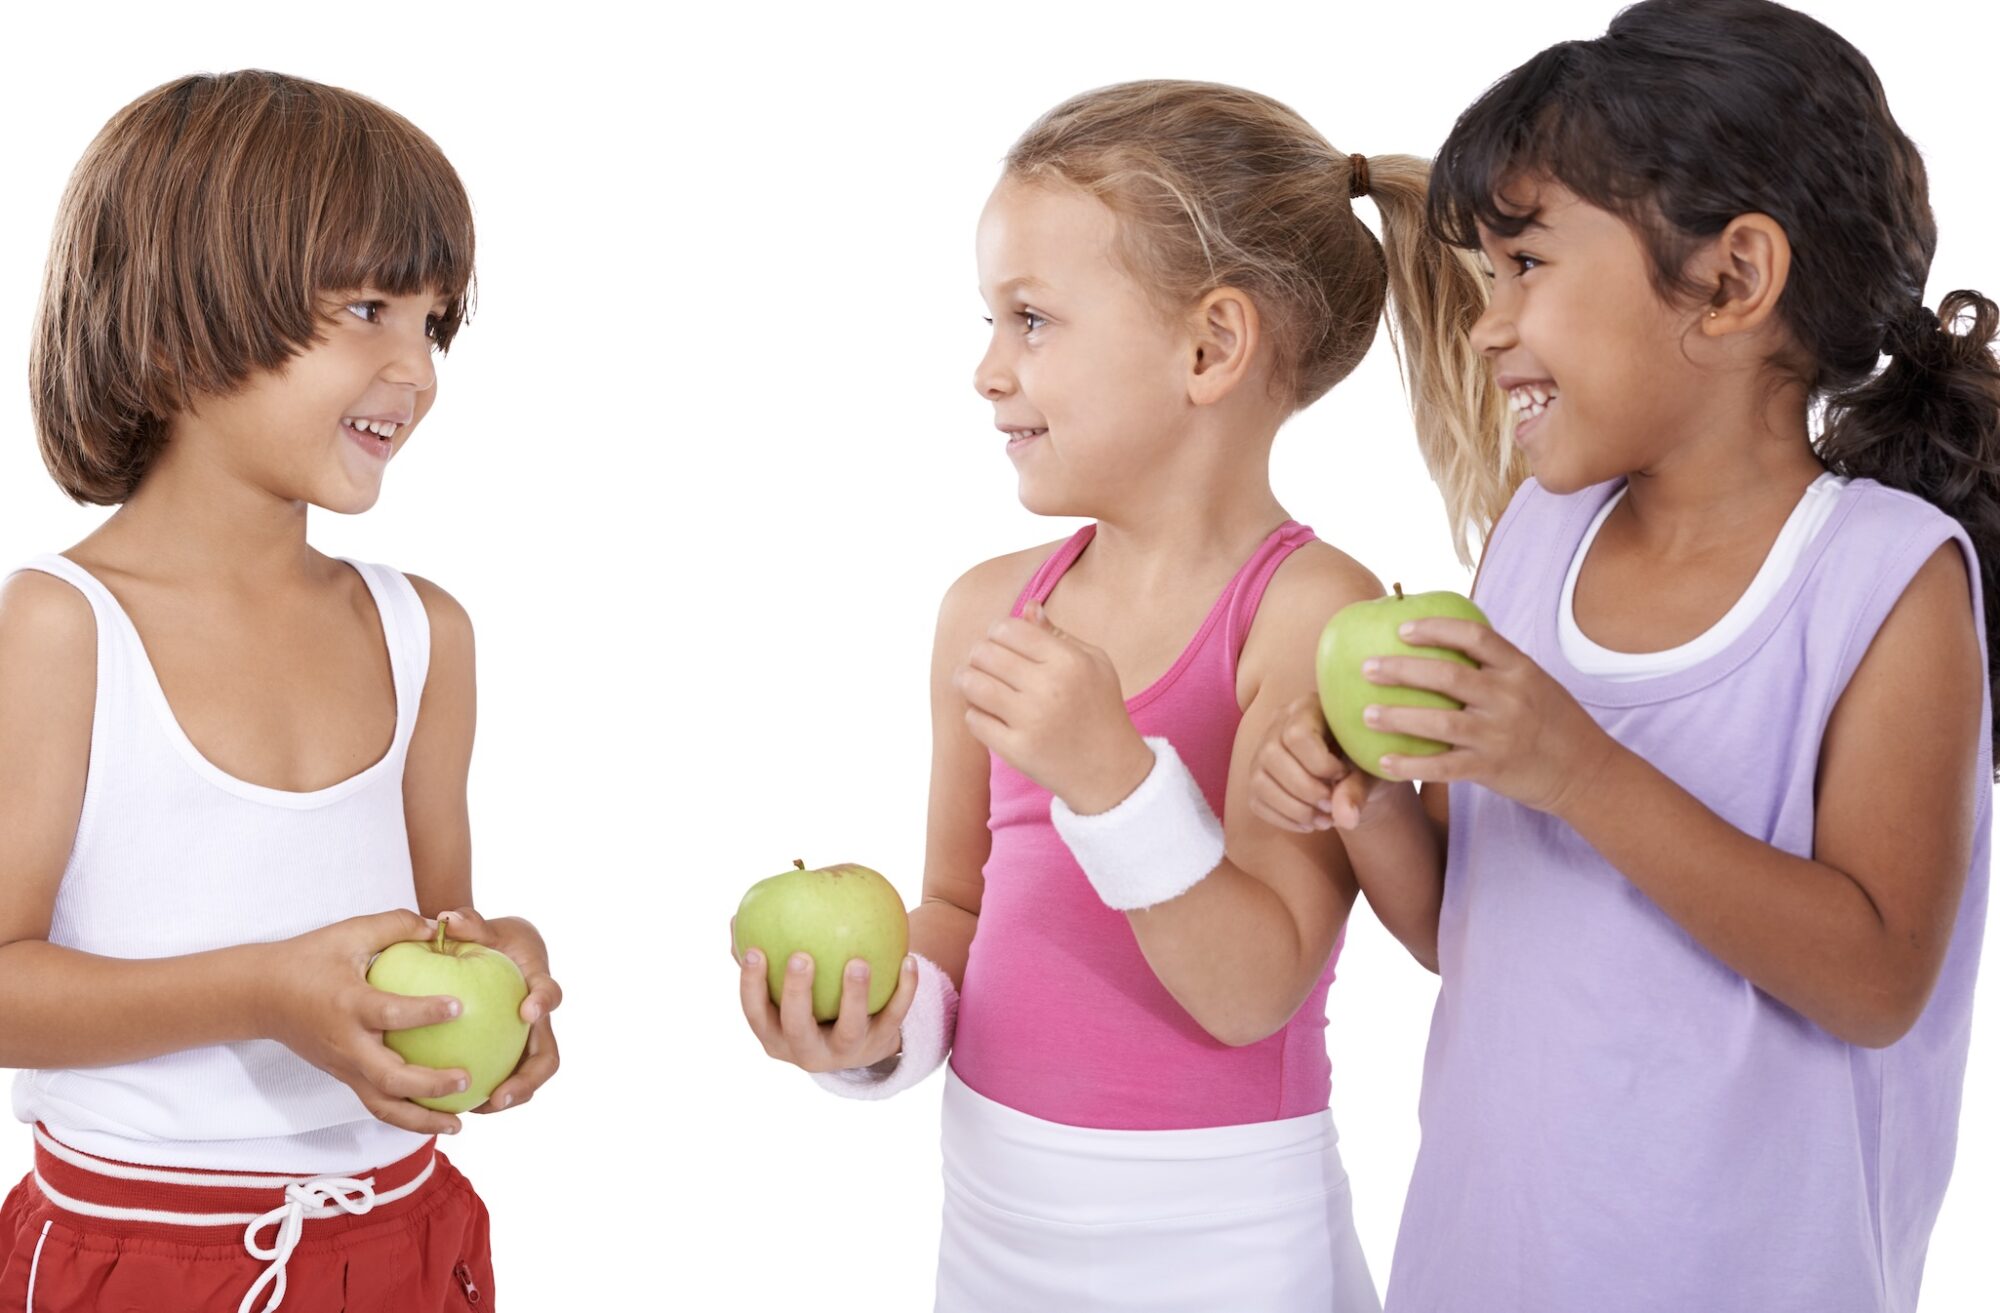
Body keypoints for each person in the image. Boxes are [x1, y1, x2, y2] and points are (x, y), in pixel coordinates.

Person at [1248, 3, 1995, 1308]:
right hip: (1479, 1268)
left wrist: (1576, 769)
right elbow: (1467, 929)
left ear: (1731, 280)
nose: (1486, 327)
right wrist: (1363, 801)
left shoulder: (1885, 580)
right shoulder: (1535, 539)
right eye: (1485, 278)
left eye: (1526, 264)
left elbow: (1876, 979)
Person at [737, 78, 1510, 1311]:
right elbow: (958, 906)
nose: (986, 370)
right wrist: (881, 1027)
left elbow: (1250, 989)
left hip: (1224, 1235)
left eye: (1030, 319)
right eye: (991, 320)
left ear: (1208, 347)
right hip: (995, 1220)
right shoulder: (986, 609)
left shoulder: (1306, 613)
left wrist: (1112, 774)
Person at [0, 71, 563, 1312]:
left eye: (434, 322)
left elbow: (437, 926)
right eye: (365, 308)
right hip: (139, 1253)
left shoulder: (423, 633)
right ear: (171, 327)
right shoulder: (62, 626)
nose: (416, 369)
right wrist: (261, 993)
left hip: (406, 1235)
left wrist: (501, 968)